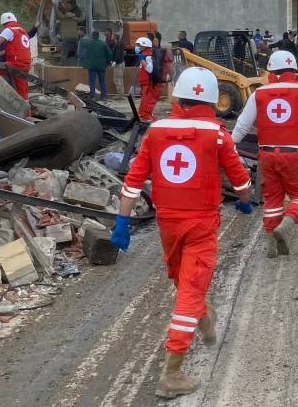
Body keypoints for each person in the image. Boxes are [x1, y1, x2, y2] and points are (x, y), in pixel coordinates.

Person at [110, 67, 252, 398]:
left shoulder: (156, 131)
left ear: (179, 98)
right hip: (201, 223)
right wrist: (245, 202)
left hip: (167, 222)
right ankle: (171, 374)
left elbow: (133, 180)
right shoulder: (217, 134)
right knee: (190, 291)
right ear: (212, 99)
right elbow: (241, 179)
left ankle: (205, 320)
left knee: (183, 281)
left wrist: (122, 220)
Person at [231, 50, 298, 258]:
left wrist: (229, 146)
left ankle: (270, 242)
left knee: (272, 197)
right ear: (293, 69)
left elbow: (242, 126)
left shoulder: (259, 94)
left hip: (266, 155)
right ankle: (288, 221)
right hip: (296, 154)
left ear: (271, 70)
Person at [0, 12, 32, 102]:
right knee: (22, 90)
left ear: (3, 23)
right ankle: (27, 113)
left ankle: (0, 99)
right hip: (26, 65)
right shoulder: (22, 31)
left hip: (15, 64)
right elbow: (11, 49)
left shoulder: (9, 30)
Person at [136, 36, 163, 122]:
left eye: (139, 45)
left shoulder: (148, 55)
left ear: (145, 46)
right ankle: (144, 115)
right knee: (145, 99)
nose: (137, 47)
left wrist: (143, 61)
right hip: (146, 82)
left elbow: (149, 69)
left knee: (148, 100)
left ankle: (146, 116)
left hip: (149, 82)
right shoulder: (144, 54)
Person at [80, 31, 113, 100]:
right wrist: (108, 62)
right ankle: (103, 96)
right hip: (101, 66)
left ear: (92, 36)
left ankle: (93, 96)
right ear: (98, 36)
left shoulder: (88, 44)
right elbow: (109, 54)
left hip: (91, 66)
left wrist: (84, 64)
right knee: (102, 81)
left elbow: (83, 54)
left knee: (92, 81)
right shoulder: (103, 44)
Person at [55, 0, 82, 65]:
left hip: (66, 38)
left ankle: (62, 66)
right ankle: (78, 65)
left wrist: (54, 4)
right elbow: (82, 18)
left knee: (64, 53)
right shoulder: (75, 18)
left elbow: (57, 12)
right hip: (75, 37)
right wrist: (84, 12)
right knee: (78, 53)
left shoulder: (63, 18)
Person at [104, 28, 126, 97]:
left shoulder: (118, 45)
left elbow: (118, 55)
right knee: (119, 79)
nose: (112, 38)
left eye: (113, 37)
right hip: (121, 63)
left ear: (115, 38)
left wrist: (115, 62)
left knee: (117, 79)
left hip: (118, 64)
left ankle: (120, 94)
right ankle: (121, 93)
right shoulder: (119, 44)